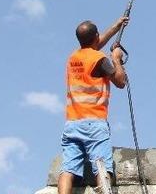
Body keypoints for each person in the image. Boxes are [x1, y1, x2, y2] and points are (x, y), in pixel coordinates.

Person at [57, 16, 129, 194]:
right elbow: (120, 82)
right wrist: (116, 58)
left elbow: (93, 46)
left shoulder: (73, 58)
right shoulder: (100, 59)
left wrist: (116, 26)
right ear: (96, 36)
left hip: (72, 123)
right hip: (94, 124)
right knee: (102, 166)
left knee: (67, 169)